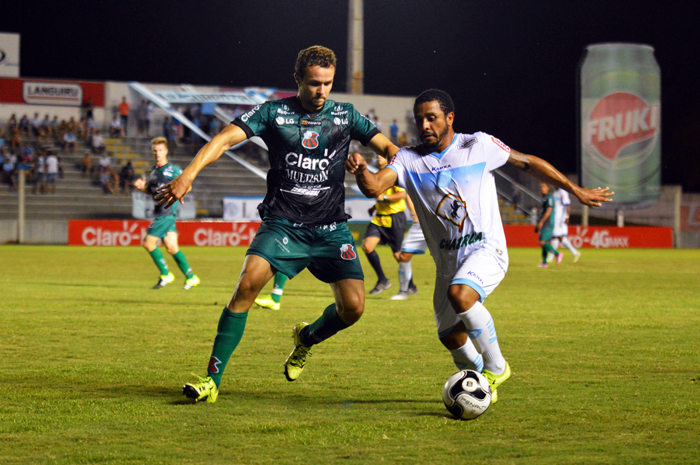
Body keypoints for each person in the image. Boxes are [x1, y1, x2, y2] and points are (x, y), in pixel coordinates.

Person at [156, 45, 399, 403]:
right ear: (298, 79)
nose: (321, 92)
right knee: (246, 286)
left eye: (328, 84)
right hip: (283, 224)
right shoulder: (273, 112)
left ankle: (307, 339)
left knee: (354, 309)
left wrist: (373, 172)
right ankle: (211, 380)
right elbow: (224, 139)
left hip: (331, 228)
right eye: (314, 83)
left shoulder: (346, 115)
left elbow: (392, 151)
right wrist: (189, 174)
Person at [346, 89, 613, 403]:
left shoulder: (478, 145)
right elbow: (375, 186)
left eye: (431, 118)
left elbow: (529, 163)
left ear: (450, 118)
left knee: (460, 294)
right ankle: (480, 386)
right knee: (449, 334)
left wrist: (576, 189)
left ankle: (496, 368)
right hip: (448, 264)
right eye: (420, 120)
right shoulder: (408, 159)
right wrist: (363, 171)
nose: (425, 125)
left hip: (487, 251)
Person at [133, 137, 200, 291]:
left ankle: (166, 274)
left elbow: (187, 185)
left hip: (166, 212)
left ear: (166, 151)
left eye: (160, 150)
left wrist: (179, 192)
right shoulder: (153, 171)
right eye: (155, 151)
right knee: (172, 248)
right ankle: (191, 277)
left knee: (148, 243)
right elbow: (152, 192)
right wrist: (142, 187)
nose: (157, 153)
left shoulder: (173, 170)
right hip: (161, 212)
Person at [362, 155, 408, 295]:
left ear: (388, 158)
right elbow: (379, 196)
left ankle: (409, 284)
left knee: (398, 255)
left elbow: (402, 195)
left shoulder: (394, 173)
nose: (378, 157)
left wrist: (385, 198)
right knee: (367, 247)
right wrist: (375, 206)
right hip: (380, 218)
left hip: (395, 218)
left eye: (381, 155)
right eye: (377, 155)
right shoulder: (378, 174)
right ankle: (382, 280)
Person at [391, 195, 423, 300]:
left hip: (438, 221)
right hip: (420, 223)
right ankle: (403, 292)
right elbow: (408, 193)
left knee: (448, 255)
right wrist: (414, 212)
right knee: (403, 257)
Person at [550, 187, 581, 263]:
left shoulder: (563, 192)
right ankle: (575, 253)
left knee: (555, 237)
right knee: (559, 237)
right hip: (555, 219)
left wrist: (567, 217)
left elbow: (568, 205)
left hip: (561, 219)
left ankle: (550, 258)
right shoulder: (554, 193)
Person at [535, 182, 562, 268]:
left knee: (541, 242)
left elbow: (549, 210)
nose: (541, 188)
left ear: (548, 188)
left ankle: (557, 254)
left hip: (548, 221)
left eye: (543, 186)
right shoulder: (544, 198)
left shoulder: (549, 197)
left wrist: (542, 222)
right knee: (544, 242)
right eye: (541, 186)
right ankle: (544, 262)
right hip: (544, 221)